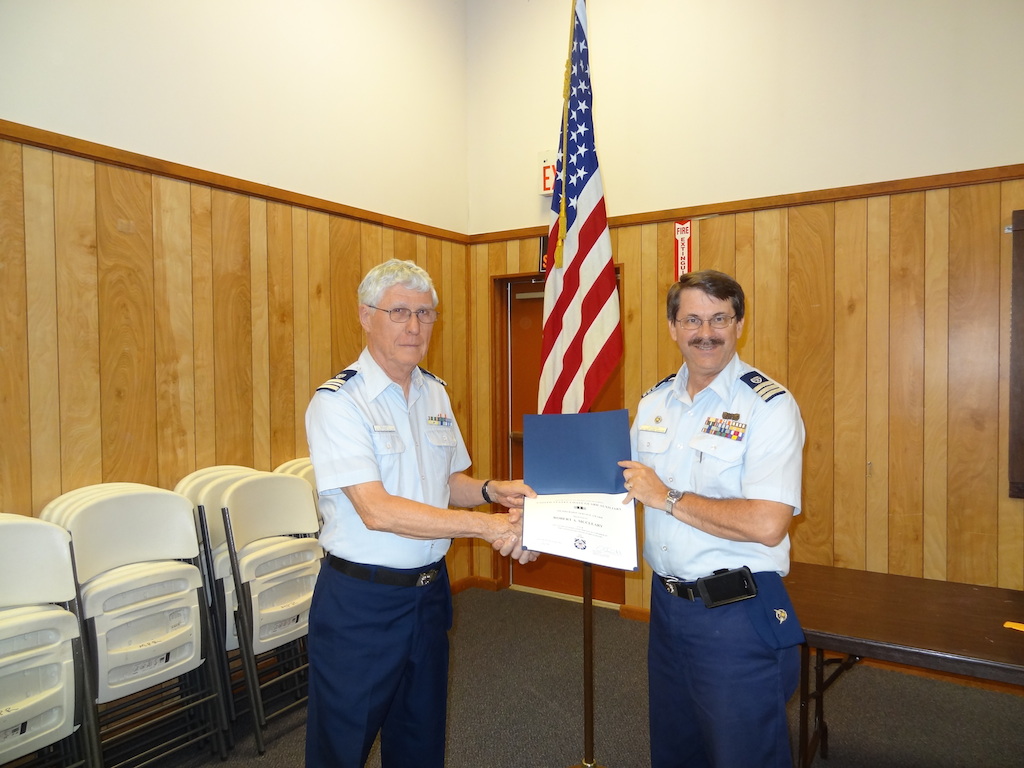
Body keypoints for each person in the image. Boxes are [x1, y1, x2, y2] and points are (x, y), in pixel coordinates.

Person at [304, 258, 537, 768]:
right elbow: (378, 511)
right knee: (339, 748)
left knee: (419, 743)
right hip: (361, 605)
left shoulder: (434, 392)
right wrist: (487, 526)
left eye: (426, 313)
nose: (414, 326)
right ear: (367, 317)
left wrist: (496, 490)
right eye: (400, 312)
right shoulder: (339, 403)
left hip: (428, 597)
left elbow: (448, 483)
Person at [618, 269, 806, 768]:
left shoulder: (769, 407)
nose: (707, 332)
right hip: (668, 609)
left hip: (737, 612)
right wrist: (540, 523)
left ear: (738, 324)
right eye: (693, 319)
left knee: (744, 755)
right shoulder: (654, 402)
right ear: (672, 327)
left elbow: (768, 523)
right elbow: (616, 485)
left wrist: (669, 497)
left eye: (720, 318)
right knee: (676, 751)